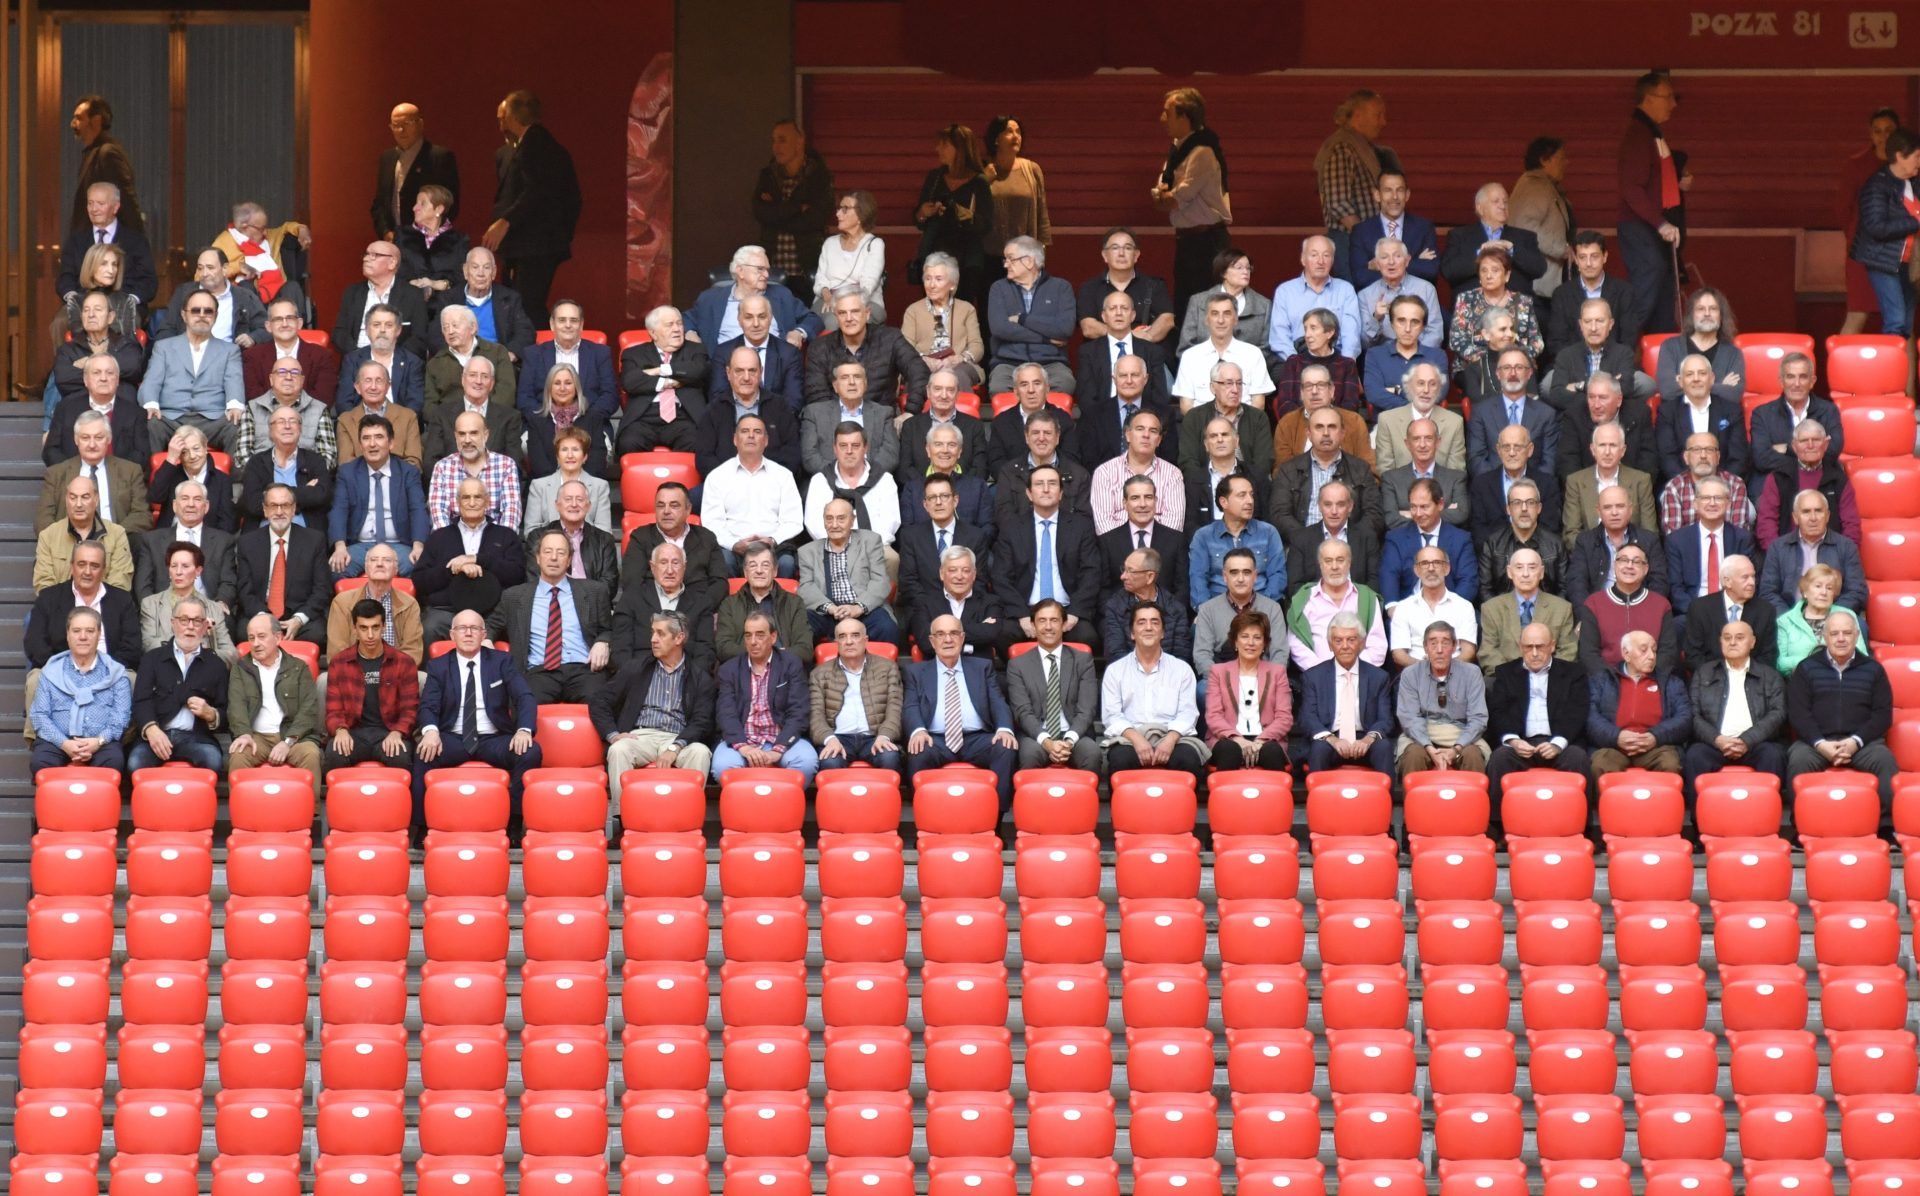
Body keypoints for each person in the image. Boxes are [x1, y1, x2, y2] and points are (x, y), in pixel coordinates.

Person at [415, 609, 543, 836]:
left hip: (493, 737)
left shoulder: (502, 662)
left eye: (474, 628)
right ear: (452, 635)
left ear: (484, 634)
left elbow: (525, 697)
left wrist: (524, 730)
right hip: (453, 737)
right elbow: (428, 705)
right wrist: (431, 731)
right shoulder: (438, 666)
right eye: (462, 628)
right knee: (423, 753)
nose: (468, 633)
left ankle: (514, 822)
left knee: (530, 751)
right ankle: (423, 827)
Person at [591, 611, 717, 810]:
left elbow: (702, 721)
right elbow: (599, 701)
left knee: (700, 752)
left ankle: (687, 818)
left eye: (660, 634)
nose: (653, 639)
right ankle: (622, 819)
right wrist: (613, 735)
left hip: (679, 738)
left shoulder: (699, 677)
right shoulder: (636, 668)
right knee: (619, 749)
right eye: (652, 633)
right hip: (642, 736)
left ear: (679, 638)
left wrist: (675, 747)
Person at [485, 89, 580, 324]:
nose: (502, 124)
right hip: (527, 245)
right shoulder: (529, 144)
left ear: (515, 117)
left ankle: (538, 355)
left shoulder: (537, 144)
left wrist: (505, 221)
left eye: (504, 117)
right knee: (520, 304)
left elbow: (538, 192)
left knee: (527, 306)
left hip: (535, 246)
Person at [1785, 610, 1897, 804]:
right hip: (1816, 743)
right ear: (1824, 636)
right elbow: (1798, 713)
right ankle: (1799, 826)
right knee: (1798, 760)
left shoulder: (1874, 670)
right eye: (1834, 633)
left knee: (1885, 761)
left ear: (1857, 635)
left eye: (1846, 633)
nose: (1841, 639)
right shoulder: (1806, 668)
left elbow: (1882, 715)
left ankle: (1885, 827)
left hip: (1862, 743)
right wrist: (1820, 743)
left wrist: (1855, 741)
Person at [491, 530, 612, 703]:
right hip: (538, 671)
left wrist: (603, 641)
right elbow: (492, 625)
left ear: (569, 559)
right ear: (538, 558)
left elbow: (609, 629)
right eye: (548, 552)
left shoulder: (594, 591)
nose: (554, 558)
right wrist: (487, 639)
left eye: (561, 552)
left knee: (600, 704)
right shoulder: (515, 596)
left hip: (583, 669)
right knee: (526, 706)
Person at [990, 464, 1100, 648]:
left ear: (1061, 493)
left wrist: (1074, 613)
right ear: (1029, 493)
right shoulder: (1012, 528)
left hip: (1066, 610)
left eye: (1052, 483)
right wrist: (1022, 615)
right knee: (1003, 635)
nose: (1046, 489)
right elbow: (1001, 577)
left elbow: (1092, 573)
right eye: (1039, 484)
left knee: (1087, 636)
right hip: (1027, 610)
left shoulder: (1081, 526)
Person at [1484, 621, 1592, 802]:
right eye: (1528, 647)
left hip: (1560, 742)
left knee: (1578, 758)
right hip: (1522, 744)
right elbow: (1498, 711)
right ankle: (1497, 826)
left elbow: (1577, 711)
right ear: (1520, 647)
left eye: (1540, 647)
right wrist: (1513, 740)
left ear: (1552, 645)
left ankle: (1582, 824)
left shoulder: (1573, 673)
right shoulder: (1506, 673)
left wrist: (1557, 744)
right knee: (1499, 759)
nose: (1534, 653)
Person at [1099, 601, 1206, 781]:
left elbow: (1187, 714)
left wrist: (1170, 740)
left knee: (1188, 760)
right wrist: (1137, 739)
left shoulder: (1182, 669)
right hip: (1131, 736)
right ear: (1132, 633)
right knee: (1120, 760)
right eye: (1141, 622)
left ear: (1163, 632)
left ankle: (1181, 810)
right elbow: (1112, 716)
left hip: (1173, 736)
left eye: (1155, 622)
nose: (1148, 627)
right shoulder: (1115, 671)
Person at [1617, 72, 1688, 335]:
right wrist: (1660, 224)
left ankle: (1660, 359)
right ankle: (1617, 353)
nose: (1673, 104)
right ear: (1649, 98)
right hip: (1642, 227)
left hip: (1655, 229)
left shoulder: (1652, 133)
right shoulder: (1638, 135)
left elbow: (1652, 183)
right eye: (1668, 97)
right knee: (1646, 295)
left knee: (1663, 298)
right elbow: (1631, 188)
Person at [1152, 87, 1232, 318]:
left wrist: (1165, 197)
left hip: (1207, 243)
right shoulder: (1178, 151)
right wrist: (1164, 197)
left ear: (1184, 117)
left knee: (1209, 307)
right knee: (1185, 306)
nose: (1162, 119)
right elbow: (1161, 196)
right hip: (1187, 240)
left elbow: (1176, 198)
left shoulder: (1202, 152)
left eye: (1168, 113)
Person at [711, 612, 818, 783]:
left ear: (773, 637)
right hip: (743, 739)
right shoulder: (729, 669)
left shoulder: (791, 664)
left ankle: (781, 807)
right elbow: (726, 713)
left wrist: (778, 749)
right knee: (722, 767)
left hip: (780, 737)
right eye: (748, 635)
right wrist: (744, 747)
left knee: (806, 762)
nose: (753, 641)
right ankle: (746, 809)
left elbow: (799, 711)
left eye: (760, 635)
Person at [415, 478, 525, 642]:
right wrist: (453, 568)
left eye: (477, 497)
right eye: (466, 497)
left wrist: (479, 560)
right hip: (447, 612)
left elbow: (518, 575)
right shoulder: (439, 537)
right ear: (458, 502)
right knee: (429, 627)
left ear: (487, 501)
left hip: (494, 613)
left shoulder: (506, 535)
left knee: (518, 625)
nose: (472, 503)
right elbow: (420, 580)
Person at [128, 596, 229, 772]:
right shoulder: (152, 658)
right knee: (135, 763)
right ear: (173, 623)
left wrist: (211, 714)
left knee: (213, 761)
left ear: (205, 627)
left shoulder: (216, 664)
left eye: (197, 621)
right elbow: (141, 701)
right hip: (157, 734)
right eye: (184, 620)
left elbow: (226, 711)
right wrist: (151, 729)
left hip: (196, 737)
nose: (190, 626)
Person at [227, 612, 325, 791]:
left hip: (293, 736)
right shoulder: (240, 669)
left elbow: (308, 709)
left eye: (262, 636)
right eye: (251, 638)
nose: (256, 643)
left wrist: (287, 742)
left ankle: (311, 815)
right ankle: (241, 814)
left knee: (310, 755)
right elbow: (236, 706)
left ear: (278, 637)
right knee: (238, 755)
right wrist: (244, 734)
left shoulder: (298, 667)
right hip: (257, 737)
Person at [138, 289, 246, 452]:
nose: (202, 315)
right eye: (196, 310)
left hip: (212, 421)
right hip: (171, 419)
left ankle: (234, 479)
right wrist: (151, 404)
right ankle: (155, 477)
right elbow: (151, 381)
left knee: (235, 424)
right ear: (184, 315)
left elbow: (234, 381)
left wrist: (235, 405)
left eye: (208, 311)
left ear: (215, 316)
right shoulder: (164, 347)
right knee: (151, 423)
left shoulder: (229, 350)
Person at [1685, 620, 1787, 790]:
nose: (1732, 642)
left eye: (1739, 638)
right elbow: (1693, 714)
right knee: (1695, 755)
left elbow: (1778, 713)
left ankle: (1767, 813)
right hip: (1715, 743)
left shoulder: (1770, 675)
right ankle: (1700, 816)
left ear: (1752, 642)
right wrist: (1717, 739)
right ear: (1721, 642)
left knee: (1773, 755)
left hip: (1756, 744)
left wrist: (1746, 740)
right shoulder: (1704, 673)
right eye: (1727, 638)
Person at [28, 608, 131, 776]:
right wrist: (64, 743)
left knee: (114, 761)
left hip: (100, 742)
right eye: (76, 631)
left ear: (99, 634)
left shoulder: (116, 673)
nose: (83, 637)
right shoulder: (51, 671)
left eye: (90, 631)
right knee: (41, 763)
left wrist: (98, 741)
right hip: (58, 741)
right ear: (68, 635)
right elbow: (40, 715)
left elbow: (121, 717)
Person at [700, 413, 805, 578]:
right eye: (744, 431)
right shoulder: (717, 476)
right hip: (733, 549)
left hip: (774, 548)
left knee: (787, 563)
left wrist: (772, 540)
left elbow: (794, 521)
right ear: (735, 439)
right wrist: (734, 544)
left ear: (766, 440)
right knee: (722, 561)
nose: (751, 435)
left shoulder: (783, 475)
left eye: (757, 431)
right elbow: (711, 522)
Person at [323, 599, 419, 773]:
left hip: (388, 731)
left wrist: (398, 732)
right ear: (354, 628)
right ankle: (340, 800)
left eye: (375, 627)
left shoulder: (404, 662)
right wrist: (340, 730)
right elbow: (333, 710)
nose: (370, 635)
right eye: (363, 628)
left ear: (384, 627)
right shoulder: (339, 663)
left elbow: (410, 710)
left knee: (401, 756)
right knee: (334, 753)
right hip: (354, 732)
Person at [230, 485, 331, 647]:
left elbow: (322, 589)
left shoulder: (314, 540)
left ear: (294, 509)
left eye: (285, 505)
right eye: (273, 506)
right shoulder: (247, 542)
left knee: (317, 634)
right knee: (243, 633)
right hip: (260, 613)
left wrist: (299, 619)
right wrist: (263, 618)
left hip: (299, 616)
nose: (279, 512)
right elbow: (244, 589)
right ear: (265, 510)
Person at [329, 415, 430, 577]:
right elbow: (339, 510)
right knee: (338, 567)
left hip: (398, 545)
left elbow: (417, 509)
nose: (372, 444)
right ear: (360, 445)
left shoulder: (408, 472)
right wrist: (340, 547)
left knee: (417, 567)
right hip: (361, 545)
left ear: (391, 443)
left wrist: (418, 546)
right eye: (366, 438)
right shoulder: (347, 473)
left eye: (379, 437)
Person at [910, 125, 997, 312]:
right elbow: (918, 219)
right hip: (934, 256)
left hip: (966, 261)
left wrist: (967, 216)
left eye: (944, 145)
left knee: (960, 313)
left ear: (960, 149)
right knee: (934, 313)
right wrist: (924, 211)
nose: (938, 149)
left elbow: (987, 224)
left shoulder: (979, 182)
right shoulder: (935, 177)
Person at [1312, 89, 1395, 281]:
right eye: (1378, 115)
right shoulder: (1341, 148)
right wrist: (1366, 239)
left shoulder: (1362, 147)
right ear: (1358, 115)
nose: (1383, 122)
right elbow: (1338, 203)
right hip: (1350, 241)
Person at [1272, 407, 1383, 548]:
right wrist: (1307, 539)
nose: (1325, 433)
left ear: (1342, 433)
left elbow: (1374, 514)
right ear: (1309, 434)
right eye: (1319, 427)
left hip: (1349, 547)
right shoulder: (1288, 470)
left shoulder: (1361, 469)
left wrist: (1349, 540)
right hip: (1302, 546)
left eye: (1332, 427)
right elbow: (1280, 515)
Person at [1587, 630, 1691, 780]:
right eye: (1643, 650)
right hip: (1614, 746)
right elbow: (1590, 716)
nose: (1651, 656)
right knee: (1601, 764)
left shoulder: (1670, 682)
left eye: (1654, 650)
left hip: (1656, 746)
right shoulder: (1603, 680)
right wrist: (1617, 736)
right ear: (1626, 654)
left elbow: (1684, 717)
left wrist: (1655, 736)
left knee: (1670, 764)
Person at [803, 290, 928, 415]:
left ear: (867, 313)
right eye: (842, 313)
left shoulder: (891, 338)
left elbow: (919, 372)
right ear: (836, 317)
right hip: (836, 425)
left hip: (882, 423)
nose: (849, 318)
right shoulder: (820, 347)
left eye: (855, 311)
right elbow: (816, 394)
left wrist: (911, 411)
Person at [1300, 613, 1396, 774]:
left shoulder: (1378, 677)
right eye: (1338, 641)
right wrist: (1332, 739)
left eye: (1351, 640)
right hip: (1330, 739)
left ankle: (1387, 799)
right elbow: (1307, 718)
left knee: (1384, 747)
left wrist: (1367, 740)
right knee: (1319, 749)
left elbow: (1385, 719)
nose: (1345, 646)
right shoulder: (1313, 677)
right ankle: (1317, 798)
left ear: (1362, 643)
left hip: (1365, 739)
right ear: (1330, 645)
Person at [1850, 126, 1920, 340]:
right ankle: (1890, 371)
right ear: (1900, 156)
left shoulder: (1912, 183)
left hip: (1908, 264)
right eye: (1917, 156)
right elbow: (1877, 228)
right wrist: (1916, 221)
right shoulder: (1877, 186)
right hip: (1883, 261)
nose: (1919, 162)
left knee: (1906, 323)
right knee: (1896, 320)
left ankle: (1898, 371)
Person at [1074, 305, 1175, 454]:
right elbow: (1090, 460)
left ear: (1145, 379)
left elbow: (1169, 458)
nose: (1129, 381)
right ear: (1114, 379)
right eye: (1123, 375)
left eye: (1134, 375)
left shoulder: (1164, 416)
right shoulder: (1094, 416)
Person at [798, 499, 899, 647]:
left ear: (852, 520)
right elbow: (806, 588)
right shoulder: (808, 551)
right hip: (827, 613)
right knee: (800, 627)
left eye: (841, 518)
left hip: (865, 610)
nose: (834, 525)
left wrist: (858, 608)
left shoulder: (870, 541)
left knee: (887, 628)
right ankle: (802, 670)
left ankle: (882, 670)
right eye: (829, 519)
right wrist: (831, 608)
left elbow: (880, 581)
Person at [1839, 109, 1904, 336]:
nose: (1883, 136)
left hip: (1899, 254)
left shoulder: (1909, 165)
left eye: (1888, 131)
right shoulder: (1857, 165)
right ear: (1871, 133)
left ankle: (1905, 374)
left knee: (1900, 320)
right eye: (1878, 131)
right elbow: (1844, 211)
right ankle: (1839, 372)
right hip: (1864, 253)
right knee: (1857, 313)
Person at [754, 119, 835, 301]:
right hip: (772, 270)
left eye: (782, 140)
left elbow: (815, 219)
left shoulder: (819, 177)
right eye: (773, 140)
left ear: (800, 142)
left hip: (807, 268)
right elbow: (760, 213)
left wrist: (777, 214)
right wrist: (797, 208)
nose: (776, 147)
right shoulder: (768, 176)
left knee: (809, 322)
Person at [811, 617, 905, 774]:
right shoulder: (819, 673)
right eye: (842, 636)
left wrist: (885, 735)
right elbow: (815, 716)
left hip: (875, 736)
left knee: (889, 758)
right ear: (836, 642)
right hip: (838, 737)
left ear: (865, 640)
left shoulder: (888, 668)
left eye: (855, 635)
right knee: (830, 762)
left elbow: (895, 708)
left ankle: (883, 799)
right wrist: (829, 739)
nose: (849, 641)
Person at [37, 408, 151, 537]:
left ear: (109, 439)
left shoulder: (130, 471)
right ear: (76, 440)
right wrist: (70, 541)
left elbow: (142, 515)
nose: (92, 444)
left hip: (117, 545)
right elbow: (43, 520)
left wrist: (112, 537)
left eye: (99, 437)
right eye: (85, 438)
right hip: (70, 548)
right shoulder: (56, 473)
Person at [1396, 622, 1490, 778]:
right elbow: (1410, 718)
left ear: (1454, 647)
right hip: (1421, 735)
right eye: (1433, 644)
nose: (1439, 650)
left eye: (1445, 643)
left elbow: (1478, 718)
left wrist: (1456, 749)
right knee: (1413, 755)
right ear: (1425, 647)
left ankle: (1472, 802)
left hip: (1461, 735)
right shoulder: (1410, 674)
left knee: (1473, 755)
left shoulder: (1472, 673)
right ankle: (1414, 803)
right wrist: (1429, 748)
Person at [984, 237, 1076, 394]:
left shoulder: (1061, 287)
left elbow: (1064, 329)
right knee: (998, 388)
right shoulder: (999, 288)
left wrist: (1022, 319)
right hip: (1008, 362)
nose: (1006, 264)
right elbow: (1000, 329)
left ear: (1029, 261)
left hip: (1051, 362)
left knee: (1065, 384)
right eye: (1005, 259)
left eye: (1010, 259)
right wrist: (1045, 338)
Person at [694, 348, 804, 479]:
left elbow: (792, 452)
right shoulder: (713, 410)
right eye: (739, 371)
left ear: (761, 372)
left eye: (752, 371)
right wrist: (732, 482)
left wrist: (767, 480)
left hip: (771, 485)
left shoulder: (780, 406)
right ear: (728, 373)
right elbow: (704, 458)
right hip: (727, 486)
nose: (746, 377)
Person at [1204, 610, 1292, 772]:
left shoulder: (1277, 672)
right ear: (1235, 642)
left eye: (1257, 638)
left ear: (1264, 644)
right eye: (1244, 636)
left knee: (1271, 752)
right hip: (1228, 738)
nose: (1250, 643)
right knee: (1229, 751)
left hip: (1266, 739)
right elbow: (1213, 716)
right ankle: (1225, 797)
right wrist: (1238, 740)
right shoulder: (1218, 671)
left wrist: (1260, 741)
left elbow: (1284, 718)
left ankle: (1272, 797)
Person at [690, 246, 823, 353]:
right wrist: (690, 333)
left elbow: (813, 319)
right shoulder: (710, 298)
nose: (766, 275)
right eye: (760, 269)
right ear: (740, 271)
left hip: (773, 369)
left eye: (767, 270)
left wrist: (798, 333)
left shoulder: (781, 295)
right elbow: (686, 319)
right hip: (725, 370)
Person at [624, 482, 728, 616]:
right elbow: (632, 583)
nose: (666, 511)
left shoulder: (706, 537)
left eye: (674, 505)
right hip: (653, 615)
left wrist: (699, 609)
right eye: (661, 505)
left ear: (688, 509)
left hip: (698, 613)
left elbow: (719, 583)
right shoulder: (641, 537)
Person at [1576, 542, 1678, 678]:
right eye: (1623, 560)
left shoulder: (1661, 605)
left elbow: (1668, 653)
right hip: (1606, 682)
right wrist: (1616, 679)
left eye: (1636, 562)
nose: (1629, 566)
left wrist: (1642, 676)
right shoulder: (1594, 603)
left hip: (1650, 679)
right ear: (1614, 565)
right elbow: (1589, 653)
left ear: (1646, 569)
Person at [616, 305, 709, 455]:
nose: (677, 329)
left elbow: (697, 371)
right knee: (628, 442)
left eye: (679, 323)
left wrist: (660, 370)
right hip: (644, 418)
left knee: (696, 442)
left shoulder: (695, 350)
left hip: (684, 417)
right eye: (669, 325)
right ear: (653, 333)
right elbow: (630, 382)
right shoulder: (633, 354)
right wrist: (667, 382)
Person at [1758, 490, 1868, 616]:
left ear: (1827, 516)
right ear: (1795, 518)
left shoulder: (1846, 546)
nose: (1813, 518)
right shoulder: (1778, 548)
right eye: (1806, 512)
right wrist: (1788, 619)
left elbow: (1857, 591)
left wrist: (1832, 616)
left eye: (1818, 511)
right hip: (1789, 617)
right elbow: (1768, 592)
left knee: (1860, 627)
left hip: (1834, 617)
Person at [47, 300, 145, 438]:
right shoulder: (68, 349)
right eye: (86, 310)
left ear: (110, 317)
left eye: (97, 309)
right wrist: (111, 373)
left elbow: (134, 368)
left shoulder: (126, 344)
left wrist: (89, 365)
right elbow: (64, 378)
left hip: (121, 418)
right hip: (78, 418)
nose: (91, 314)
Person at [1755, 420, 1859, 550]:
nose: (1810, 445)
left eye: (1816, 440)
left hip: (1830, 558)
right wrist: (1779, 556)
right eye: (1804, 441)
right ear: (1794, 446)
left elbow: (1851, 525)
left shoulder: (1838, 479)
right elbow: (1766, 523)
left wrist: (1841, 556)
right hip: (1787, 556)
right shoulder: (1778, 477)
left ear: (1825, 444)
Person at [610, 541, 714, 668]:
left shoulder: (701, 602)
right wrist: (634, 679)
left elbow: (705, 650)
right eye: (663, 563)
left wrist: (690, 680)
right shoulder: (631, 598)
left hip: (686, 676)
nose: (670, 570)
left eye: (675, 563)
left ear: (684, 567)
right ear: (653, 568)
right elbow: (621, 648)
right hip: (640, 675)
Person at [1477, 548, 1579, 675]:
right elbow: (1488, 652)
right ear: (1509, 572)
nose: (1525, 574)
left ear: (1541, 572)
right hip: (1506, 681)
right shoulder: (1492, 608)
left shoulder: (1561, 608)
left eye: (1532, 567)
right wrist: (1515, 677)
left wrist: (1544, 675)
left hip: (1550, 680)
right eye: (1519, 567)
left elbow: (1568, 651)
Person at [1566, 481, 1668, 606]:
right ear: (1598, 511)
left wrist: (1645, 613)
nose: (1614, 513)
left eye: (1620, 506)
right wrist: (1588, 616)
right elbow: (1577, 585)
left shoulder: (1649, 540)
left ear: (1630, 509)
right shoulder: (1585, 541)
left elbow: (1659, 583)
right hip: (1597, 611)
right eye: (1607, 507)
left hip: (1639, 609)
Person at [1665, 477, 1755, 618]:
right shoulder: (1677, 540)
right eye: (1706, 498)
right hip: (1693, 610)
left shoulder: (1742, 539)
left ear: (1728, 504)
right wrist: (1700, 612)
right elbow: (1675, 588)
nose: (1712, 503)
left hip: (1733, 610)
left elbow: (1747, 583)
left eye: (1718, 498)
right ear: (1695, 504)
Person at [1189, 475, 1286, 604]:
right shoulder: (1204, 536)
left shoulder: (1268, 533)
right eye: (1242, 495)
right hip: (1217, 611)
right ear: (1224, 502)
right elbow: (1198, 580)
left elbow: (1277, 576)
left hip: (1260, 611)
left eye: (1251, 495)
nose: (1250, 501)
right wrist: (1207, 613)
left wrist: (1263, 610)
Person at [426, 247, 535, 363]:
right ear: (465, 271)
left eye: (486, 267)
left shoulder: (509, 298)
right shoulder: (449, 299)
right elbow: (435, 335)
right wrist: (458, 358)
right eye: (475, 267)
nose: (481, 273)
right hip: (459, 363)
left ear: (494, 272)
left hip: (498, 363)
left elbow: (526, 331)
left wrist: (509, 355)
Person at [1379, 481, 1477, 608]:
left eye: (1424, 507)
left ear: (1440, 504)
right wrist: (1393, 608)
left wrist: (1451, 611)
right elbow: (1389, 576)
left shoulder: (1461, 539)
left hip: (1450, 611)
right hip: (1409, 612)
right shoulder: (1396, 539)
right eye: (1413, 507)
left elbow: (1468, 581)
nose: (1418, 513)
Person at [1545, 231, 1643, 358]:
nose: (1589, 263)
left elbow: (1629, 340)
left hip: (1614, 366)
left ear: (1605, 257)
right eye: (1582, 257)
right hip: (1573, 367)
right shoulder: (1562, 294)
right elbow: (1556, 342)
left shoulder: (1624, 292)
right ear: (1576, 260)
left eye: (1594, 256)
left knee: (1641, 378)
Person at [1656, 353, 1750, 483]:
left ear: (1711, 378)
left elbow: (1738, 457)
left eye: (1702, 373)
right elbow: (1667, 457)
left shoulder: (1731, 410)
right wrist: (1688, 486)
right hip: (1680, 486)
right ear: (1680, 381)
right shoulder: (1667, 411)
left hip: (1724, 487)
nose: (1696, 379)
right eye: (1689, 374)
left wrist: (1716, 487)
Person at [326, 543, 424, 667]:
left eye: (387, 560)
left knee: (422, 679)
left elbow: (413, 652)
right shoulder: (342, 602)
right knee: (323, 680)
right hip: (353, 675)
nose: (379, 564)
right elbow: (337, 652)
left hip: (396, 675)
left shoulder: (409, 604)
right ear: (366, 568)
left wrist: (388, 674)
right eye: (373, 560)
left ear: (396, 569)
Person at [1465, 348, 1558, 478]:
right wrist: (1500, 486)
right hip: (1492, 491)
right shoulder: (1481, 412)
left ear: (1529, 373)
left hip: (1534, 492)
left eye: (1519, 367)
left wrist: (1525, 491)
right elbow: (1476, 459)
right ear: (1498, 373)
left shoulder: (1546, 414)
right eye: (1507, 368)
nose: (1513, 373)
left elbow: (1549, 463)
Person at [236, 354, 337, 474]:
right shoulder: (253, 408)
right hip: (263, 481)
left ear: (302, 380)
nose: (288, 377)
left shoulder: (319, 409)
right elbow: (242, 455)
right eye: (282, 372)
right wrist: (269, 477)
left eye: (294, 372)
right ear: (271, 379)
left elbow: (329, 456)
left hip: (305, 480)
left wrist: (301, 476)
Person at [1750, 354, 1844, 481]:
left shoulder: (1829, 410)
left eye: (1803, 377)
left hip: (1820, 482)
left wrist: (1787, 449)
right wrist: (1809, 459)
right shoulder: (1762, 414)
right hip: (1779, 481)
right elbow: (1762, 458)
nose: (1797, 384)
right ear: (1781, 381)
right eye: (1790, 377)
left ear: (1812, 382)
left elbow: (1831, 452)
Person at [1440, 184, 1551, 293]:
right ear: (1480, 208)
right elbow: (1448, 272)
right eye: (1496, 201)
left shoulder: (1525, 237)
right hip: (1472, 306)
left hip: (1514, 306)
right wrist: (1481, 253)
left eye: (1505, 201)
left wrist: (1512, 250)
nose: (1502, 206)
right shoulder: (1459, 235)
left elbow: (1539, 269)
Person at [34, 474, 134, 594]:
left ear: (96, 500)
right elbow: (44, 585)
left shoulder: (117, 534)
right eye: (73, 497)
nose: (79, 504)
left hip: (104, 608)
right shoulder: (48, 536)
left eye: (85, 497)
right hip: (59, 609)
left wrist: (93, 606)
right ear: (66, 500)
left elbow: (120, 585)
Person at [135, 481, 234, 602]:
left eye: (197, 499)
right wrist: (155, 612)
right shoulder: (152, 541)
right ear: (175, 505)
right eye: (185, 499)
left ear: (206, 506)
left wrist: (217, 608)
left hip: (209, 612)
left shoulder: (223, 541)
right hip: (162, 612)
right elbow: (143, 586)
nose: (191, 504)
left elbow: (228, 583)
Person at [1088, 410, 1183, 536]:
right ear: (1127, 435)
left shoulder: (1172, 474)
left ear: (1159, 440)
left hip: (1160, 550)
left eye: (1153, 431)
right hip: (1117, 550)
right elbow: (1104, 524)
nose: (1146, 435)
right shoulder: (1105, 472)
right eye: (1140, 429)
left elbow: (1174, 526)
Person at [1075, 226, 1176, 344]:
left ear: (1136, 255)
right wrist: (1131, 336)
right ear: (1105, 256)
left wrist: (1145, 339)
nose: (1121, 253)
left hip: (1145, 353)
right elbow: (1089, 328)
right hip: (1102, 355)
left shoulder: (1154, 285)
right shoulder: (1090, 288)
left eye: (1128, 248)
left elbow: (1167, 320)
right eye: (1115, 248)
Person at [1546, 301, 1652, 413]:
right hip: (1575, 422)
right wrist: (1609, 389)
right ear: (1581, 325)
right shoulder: (1565, 355)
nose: (1593, 328)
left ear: (1611, 324)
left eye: (1600, 321)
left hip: (1614, 422)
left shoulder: (1623, 353)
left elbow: (1626, 388)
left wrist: (1580, 386)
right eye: (1587, 321)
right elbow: (1557, 396)